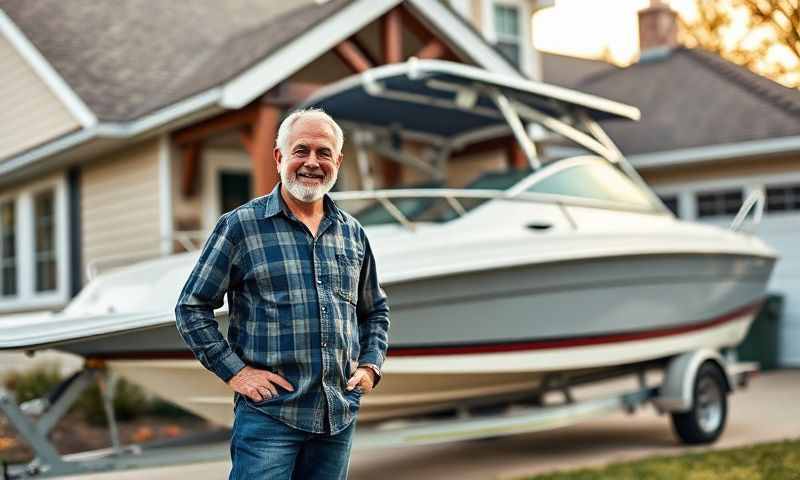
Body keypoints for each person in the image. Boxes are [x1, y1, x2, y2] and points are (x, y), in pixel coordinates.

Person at [175, 108, 390, 479]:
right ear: (279, 158)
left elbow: (375, 311)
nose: (312, 162)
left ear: (338, 161)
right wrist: (237, 373)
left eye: (324, 153)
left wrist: (370, 366)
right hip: (269, 419)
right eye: (301, 150)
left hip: (335, 419)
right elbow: (191, 308)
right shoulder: (241, 226)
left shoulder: (353, 233)